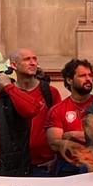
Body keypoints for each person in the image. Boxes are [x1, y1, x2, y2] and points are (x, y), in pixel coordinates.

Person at [9, 49, 63, 177]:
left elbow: (59, 125)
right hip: (15, 165)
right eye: (27, 59)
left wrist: (57, 157)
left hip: (44, 165)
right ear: (13, 65)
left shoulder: (50, 92)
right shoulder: (8, 92)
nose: (33, 63)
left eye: (34, 59)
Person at [45, 58, 93, 176]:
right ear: (69, 80)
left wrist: (71, 135)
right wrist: (80, 142)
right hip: (69, 170)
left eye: (90, 75)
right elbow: (54, 143)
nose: (88, 79)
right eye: (82, 76)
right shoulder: (58, 110)